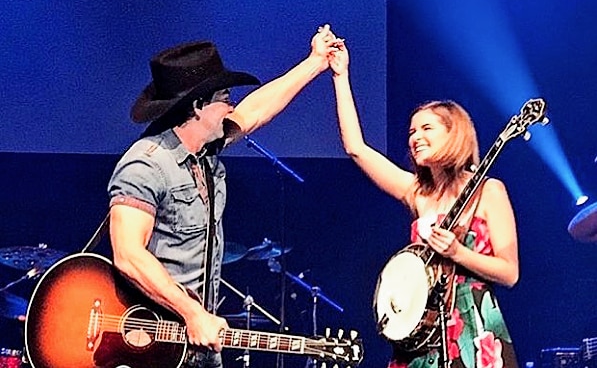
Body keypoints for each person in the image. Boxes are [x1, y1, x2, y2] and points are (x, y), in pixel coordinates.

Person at [107, 25, 341, 368]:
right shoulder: (146, 164)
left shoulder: (205, 150)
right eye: (225, 99)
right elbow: (128, 254)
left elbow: (257, 110)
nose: (232, 107)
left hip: (197, 344)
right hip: (153, 346)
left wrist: (315, 63)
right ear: (199, 107)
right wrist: (191, 313)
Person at [328, 39, 519, 367]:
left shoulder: (489, 191)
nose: (415, 137)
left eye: (426, 128)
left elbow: (509, 271)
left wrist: (459, 252)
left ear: (454, 133)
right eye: (412, 131)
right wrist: (340, 75)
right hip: (420, 334)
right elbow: (356, 147)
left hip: (472, 330)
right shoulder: (417, 192)